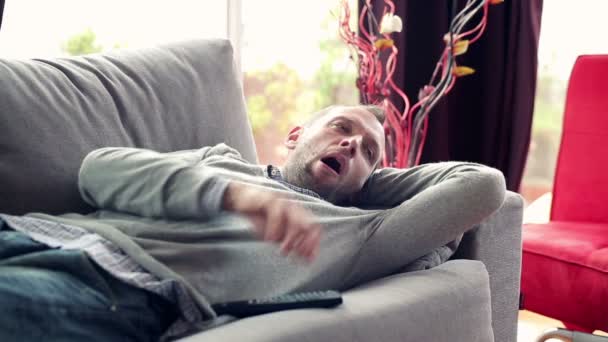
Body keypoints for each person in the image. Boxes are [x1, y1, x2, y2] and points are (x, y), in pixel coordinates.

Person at [0, 104, 506, 341]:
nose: (352, 143)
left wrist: (365, 180)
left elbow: (482, 186)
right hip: (29, 231)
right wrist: (230, 194)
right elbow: (99, 169)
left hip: (114, 288)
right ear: (295, 135)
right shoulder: (221, 160)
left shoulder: (356, 234)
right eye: (340, 128)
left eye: (368, 151)